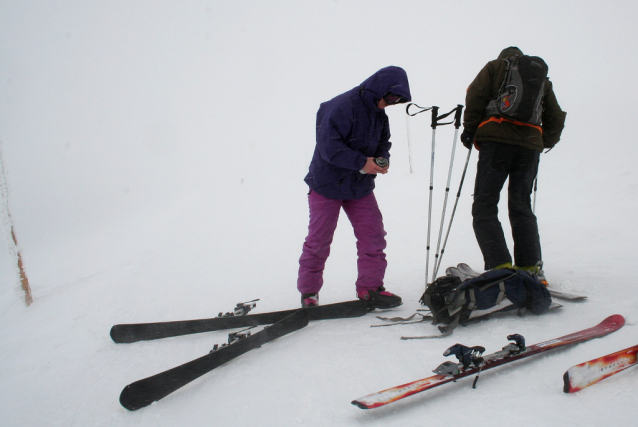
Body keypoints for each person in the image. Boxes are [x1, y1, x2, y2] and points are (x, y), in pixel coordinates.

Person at [297, 66, 411, 308]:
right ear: (379, 89)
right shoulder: (340, 106)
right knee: (319, 240)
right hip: (326, 184)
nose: (391, 103)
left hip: (359, 187)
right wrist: (362, 163)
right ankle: (309, 292)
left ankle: (370, 289)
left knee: (373, 236)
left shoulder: (379, 115)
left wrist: (381, 159)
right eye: (390, 97)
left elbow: (383, 143)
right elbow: (329, 147)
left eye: (397, 101)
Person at [461, 47, 566, 281]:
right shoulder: (541, 82)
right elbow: (556, 116)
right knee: (521, 204)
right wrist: (541, 140)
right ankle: (529, 267)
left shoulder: (495, 67)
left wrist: (470, 130)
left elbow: (475, 95)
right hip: (529, 148)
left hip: (496, 144)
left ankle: (500, 266)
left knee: (485, 204)